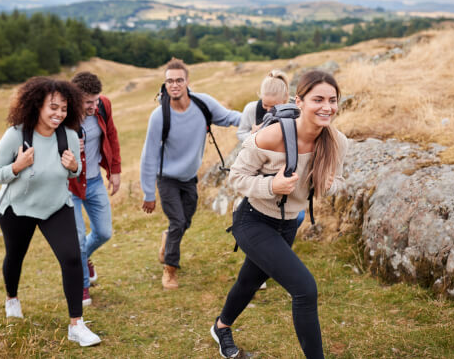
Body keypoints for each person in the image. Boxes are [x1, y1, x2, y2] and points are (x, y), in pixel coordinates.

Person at [210, 70, 348, 358]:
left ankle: (221, 326)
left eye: (332, 100)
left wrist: (329, 185)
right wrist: (271, 184)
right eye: (318, 99)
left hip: (287, 226)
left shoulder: (337, 142)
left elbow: (338, 182)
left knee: (249, 281)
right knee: (305, 289)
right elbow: (236, 178)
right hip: (253, 219)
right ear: (299, 101)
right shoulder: (271, 136)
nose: (327, 107)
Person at [0, 77, 101, 347]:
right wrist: (17, 166)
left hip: (55, 206)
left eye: (63, 108)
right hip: (18, 207)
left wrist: (75, 166)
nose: (59, 114)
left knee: (73, 258)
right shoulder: (16, 135)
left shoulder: (70, 136)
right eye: (53, 107)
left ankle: (77, 324)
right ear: (37, 105)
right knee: (15, 257)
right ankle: (12, 298)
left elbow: (74, 172)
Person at [140, 57, 241, 289]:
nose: (174, 85)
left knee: (184, 221)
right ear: (165, 85)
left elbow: (228, 117)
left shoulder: (202, 104)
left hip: (189, 178)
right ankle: (170, 269)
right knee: (177, 221)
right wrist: (148, 193)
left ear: (187, 82)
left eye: (179, 80)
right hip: (166, 178)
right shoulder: (159, 116)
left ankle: (167, 241)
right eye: (169, 81)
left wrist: (256, 119)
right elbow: (148, 157)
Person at [69, 71, 121, 307]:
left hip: (95, 181)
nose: (94, 105)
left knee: (104, 232)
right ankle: (81, 286)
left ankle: (84, 258)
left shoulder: (103, 106)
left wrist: (115, 170)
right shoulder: (64, 116)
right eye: (88, 102)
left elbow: (111, 134)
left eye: (96, 100)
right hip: (69, 186)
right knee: (78, 239)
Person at [236, 69, 290, 143]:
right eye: (265, 105)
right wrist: (253, 134)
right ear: (261, 96)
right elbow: (240, 133)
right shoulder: (251, 109)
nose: (268, 110)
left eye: (273, 107)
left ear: (285, 98)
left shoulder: (293, 113)